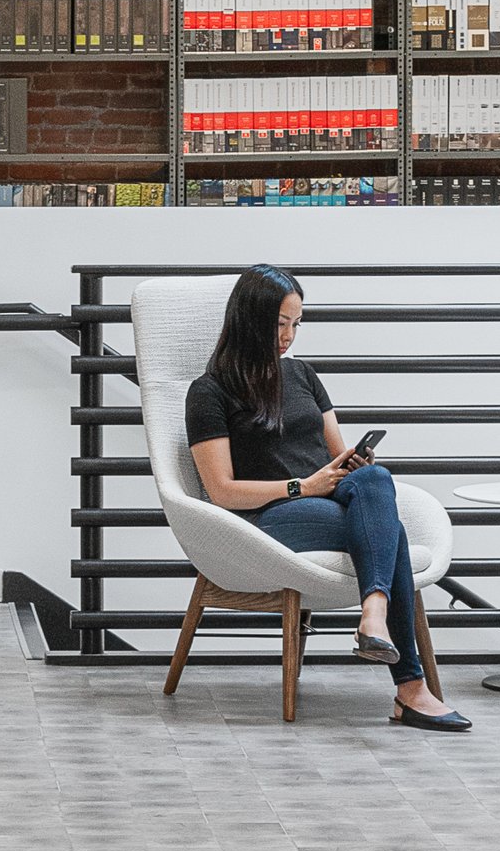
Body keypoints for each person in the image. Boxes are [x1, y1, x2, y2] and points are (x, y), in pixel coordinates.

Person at [184, 263, 470, 734]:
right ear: (248, 316)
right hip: (268, 518)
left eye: (296, 324)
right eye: (280, 323)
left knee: (376, 478)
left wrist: (353, 465)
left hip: (331, 502)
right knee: (391, 533)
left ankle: (375, 617)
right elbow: (222, 491)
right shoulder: (209, 392)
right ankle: (408, 685)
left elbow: (338, 456)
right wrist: (304, 486)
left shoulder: (303, 376)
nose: (289, 336)